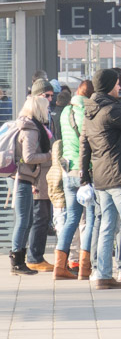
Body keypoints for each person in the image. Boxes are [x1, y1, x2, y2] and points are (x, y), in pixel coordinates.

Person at [79, 68, 121, 289]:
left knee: (107, 225)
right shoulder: (110, 110)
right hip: (119, 175)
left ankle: (104, 275)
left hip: (100, 178)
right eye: (117, 84)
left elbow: (85, 145)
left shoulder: (90, 111)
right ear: (109, 86)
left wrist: (85, 176)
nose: (120, 87)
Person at [9, 95, 52, 275]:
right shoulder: (31, 129)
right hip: (23, 178)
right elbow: (29, 157)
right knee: (23, 221)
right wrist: (49, 156)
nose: (48, 111)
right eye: (46, 108)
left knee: (26, 221)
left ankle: (20, 260)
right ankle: (17, 262)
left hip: (23, 178)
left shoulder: (26, 125)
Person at [61, 80, 95, 279]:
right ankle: (85, 267)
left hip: (68, 171)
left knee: (71, 218)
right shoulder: (88, 113)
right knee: (90, 219)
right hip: (85, 172)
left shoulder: (66, 112)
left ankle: (60, 266)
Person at [25, 79, 56, 272]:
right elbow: (29, 155)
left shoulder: (45, 118)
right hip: (36, 175)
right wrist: (50, 155)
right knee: (39, 217)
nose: (50, 99)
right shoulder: (32, 121)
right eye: (46, 96)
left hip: (44, 174)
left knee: (43, 217)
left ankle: (37, 255)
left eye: (52, 96)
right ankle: (34, 256)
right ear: (37, 97)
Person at [47, 138, 75, 279]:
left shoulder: (52, 169)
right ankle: (66, 264)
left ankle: (62, 264)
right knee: (68, 233)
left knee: (62, 232)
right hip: (63, 205)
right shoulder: (62, 170)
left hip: (57, 205)